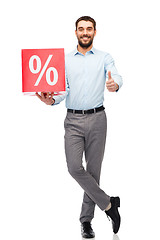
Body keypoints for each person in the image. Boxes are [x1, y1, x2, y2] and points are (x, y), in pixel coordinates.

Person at [36, 16, 123, 238]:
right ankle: (108, 204)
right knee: (75, 167)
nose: (85, 32)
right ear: (75, 32)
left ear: (95, 31)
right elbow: (62, 90)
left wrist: (116, 84)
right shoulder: (64, 60)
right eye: (81, 29)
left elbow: (116, 76)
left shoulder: (104, 57)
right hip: (73, 121)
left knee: (93, 172)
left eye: (89, 29)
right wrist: (52, 100)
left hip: (98, 119)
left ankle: (86, 222)